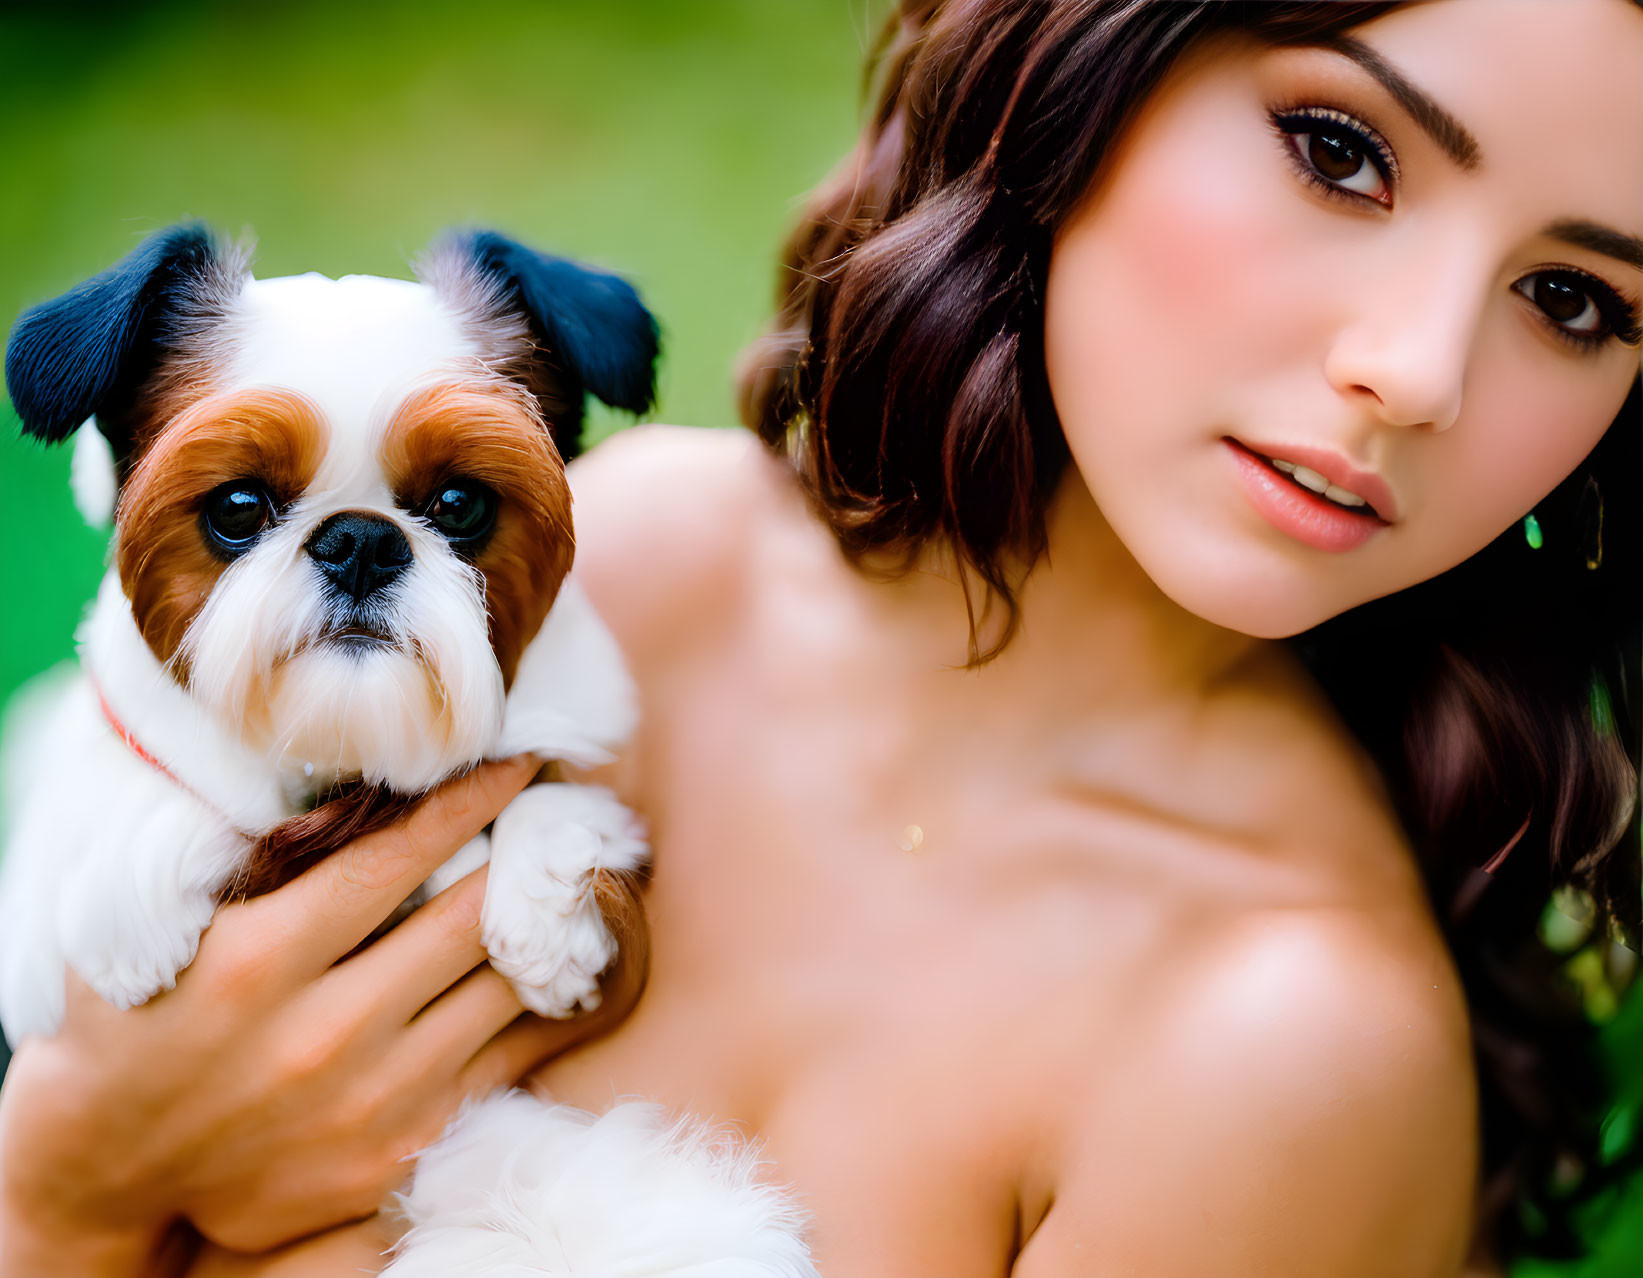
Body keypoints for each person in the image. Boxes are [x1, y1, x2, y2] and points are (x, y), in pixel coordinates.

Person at [1, 0, 1640, 1273]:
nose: (1419, 370)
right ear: (1088, 63)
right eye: (1340, 150)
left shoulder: (1283, 1044)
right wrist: (66, 1185)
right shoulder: (632, 566)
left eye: (1579, 300)